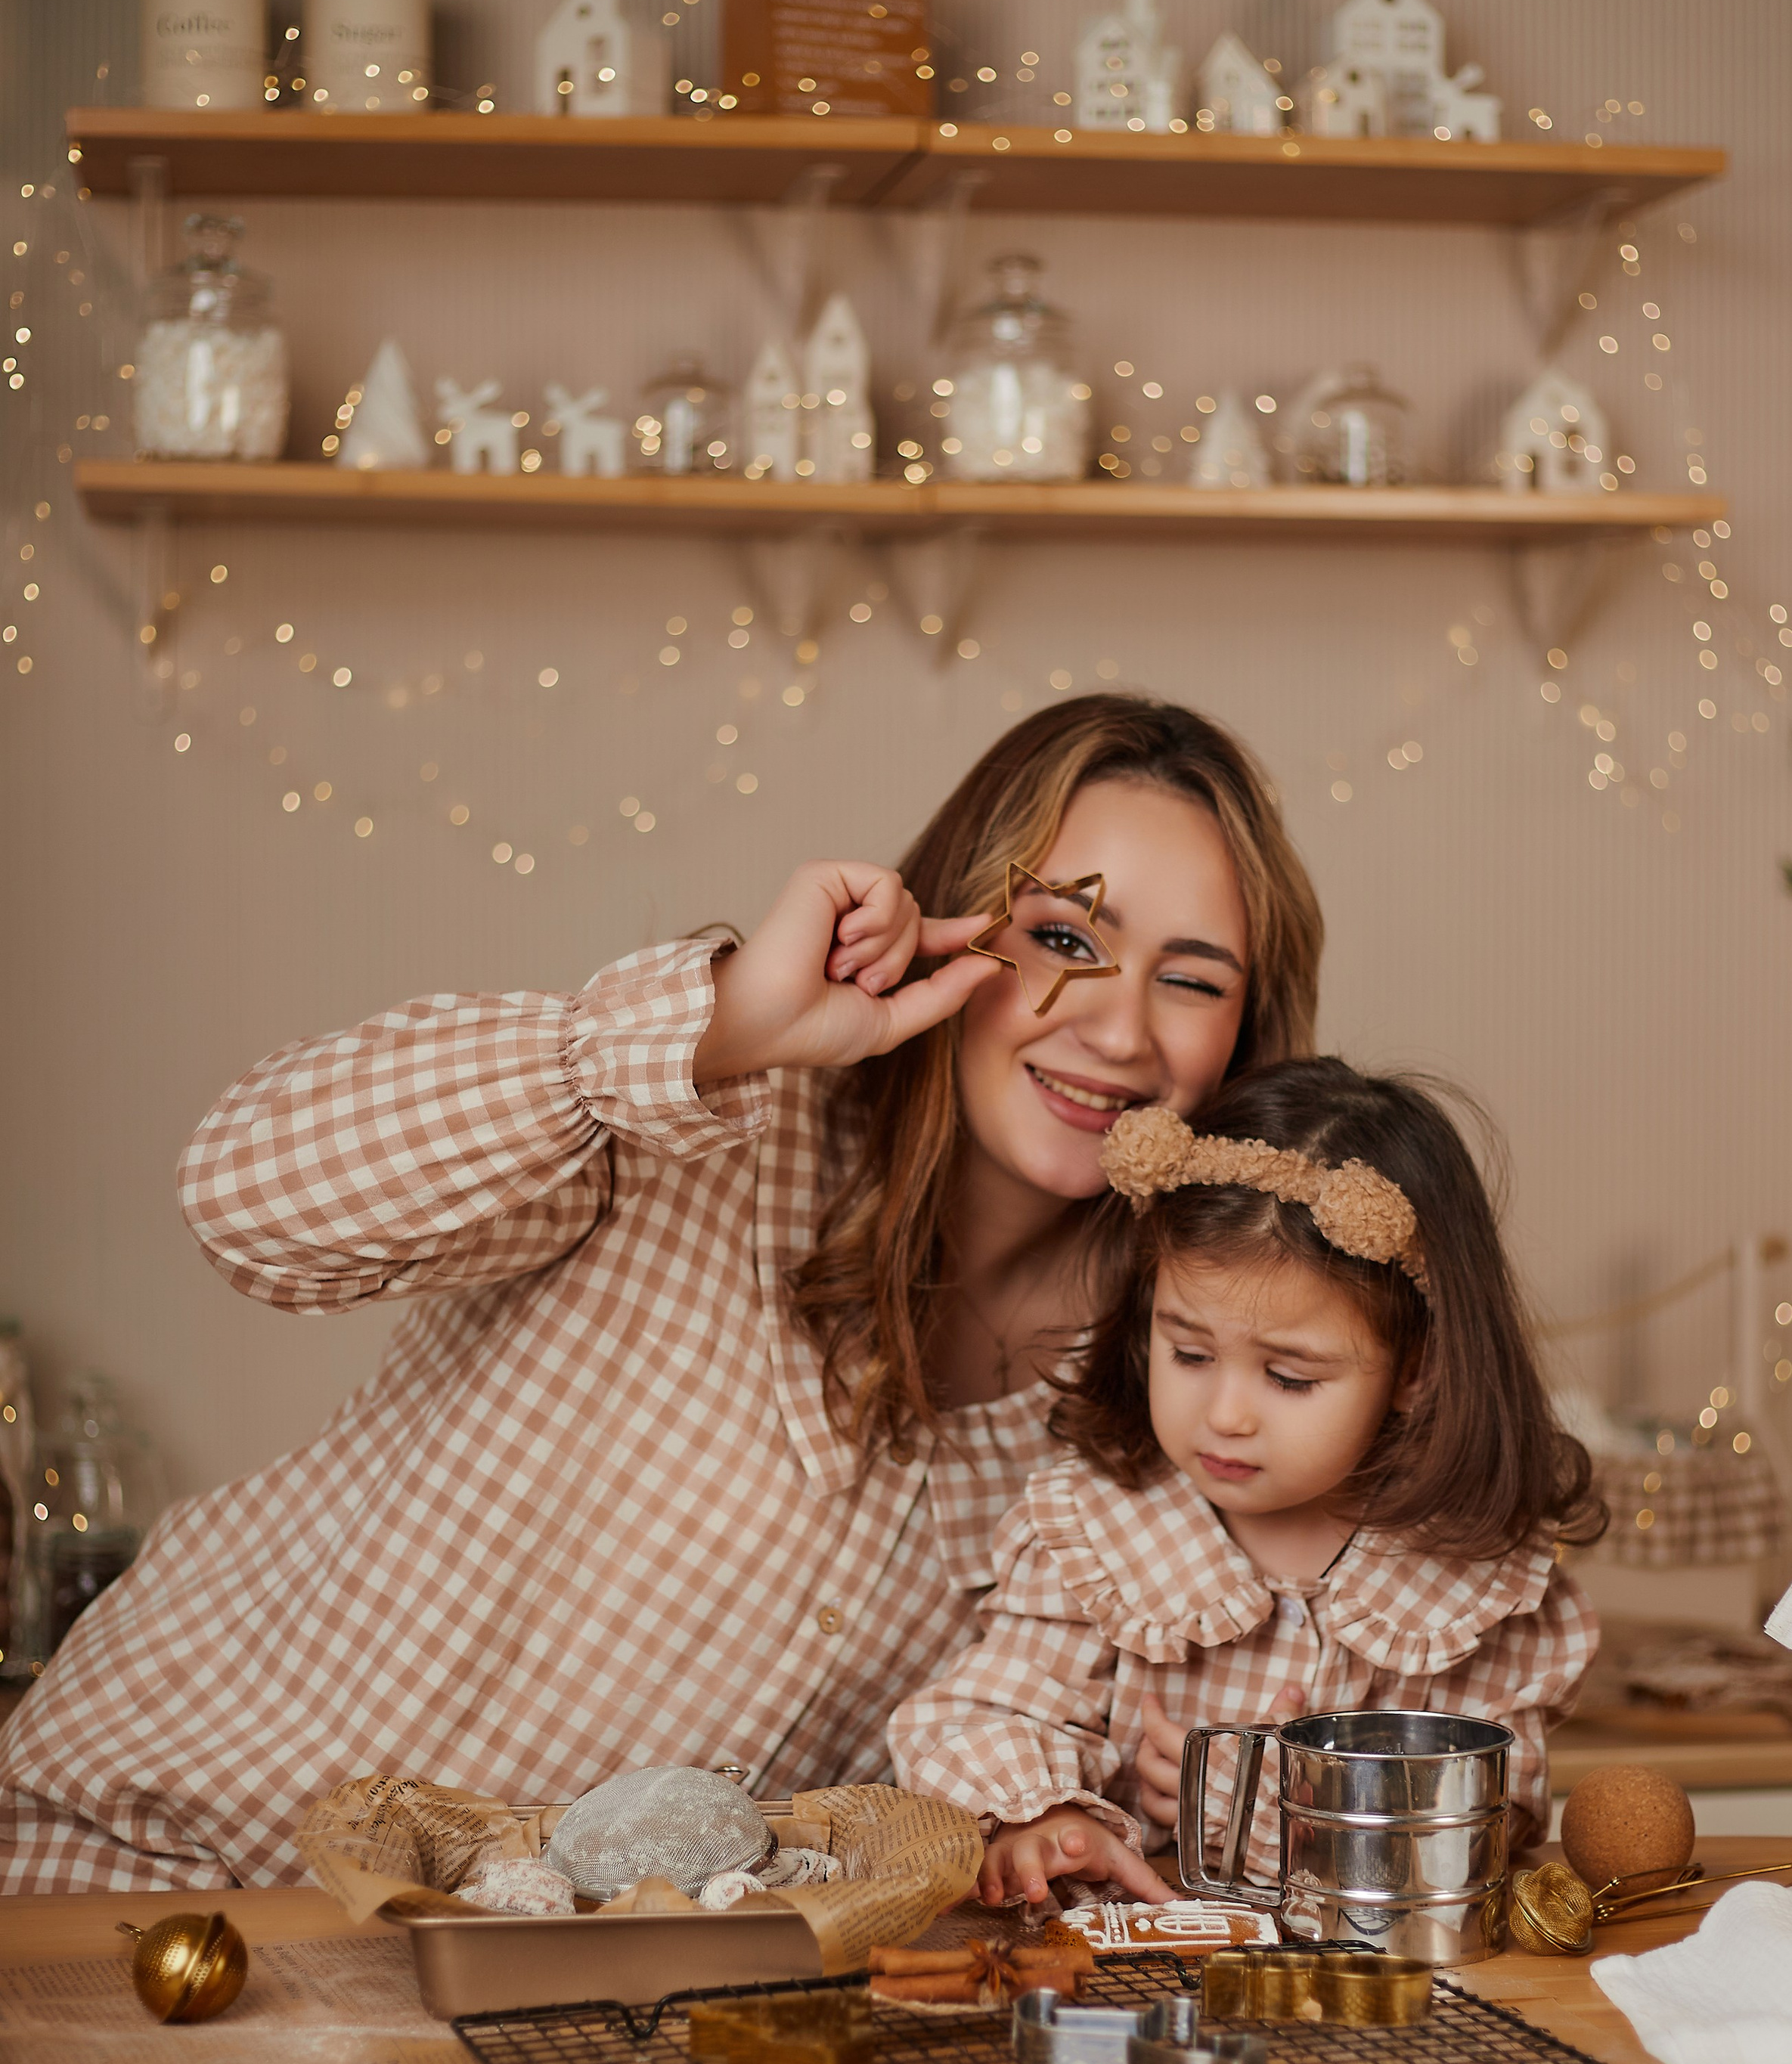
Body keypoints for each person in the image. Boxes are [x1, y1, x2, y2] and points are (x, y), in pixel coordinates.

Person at [0, 696, 1322, 1891]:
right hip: (156, 1864)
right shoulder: (706, 1112)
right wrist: (721, 1025)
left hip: (545, 2007)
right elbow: (243, 1199)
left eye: (1193, 978)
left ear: (1245, 1036)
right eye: (1061, 936)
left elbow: (1048, 1737)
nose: (1120, 1027)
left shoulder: (1179, 1382)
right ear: (954, 921)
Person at [888, 1058, 1605, 1907]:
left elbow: (1497, 1813)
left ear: (1417, 1370)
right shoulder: (1098, 1532)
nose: (1224, 1413)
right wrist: (1040, 1816)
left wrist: (1287, 1809)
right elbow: (974, 1715)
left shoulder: (1472, 1582)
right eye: (1188, 1353)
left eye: (1290, 1377)